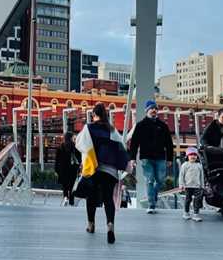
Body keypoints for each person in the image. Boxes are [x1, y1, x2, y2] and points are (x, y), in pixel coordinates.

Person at [76, 103, 129, 244]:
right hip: (110, 171)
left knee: (91, 198)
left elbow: (79, 144)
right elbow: (121, 149)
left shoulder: (88, 128)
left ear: (94, 115)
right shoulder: (112, 130)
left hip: (94, 170)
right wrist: (126, 166)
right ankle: (110, 225)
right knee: (108, 199)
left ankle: (91, 224)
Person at [128, 99, 174, 214]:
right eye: (151, 108)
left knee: (160, 180)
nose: (153, 110)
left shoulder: (163, 126)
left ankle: (153, 197)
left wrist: (169, 158)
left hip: (160, 158)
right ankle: (151, 204)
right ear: (146, 110)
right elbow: (134, 143)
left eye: (155, 108)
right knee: (149, 180)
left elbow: (169, 143)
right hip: (146, 157)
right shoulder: (140, 125)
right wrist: (132, 158)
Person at [178, 146, 204, 221]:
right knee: (188, 200)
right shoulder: (185, 165)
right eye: (191, 155)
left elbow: (201, 176)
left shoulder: (199, 165)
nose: (193, 156)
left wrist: (202, 185)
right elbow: (181, 176)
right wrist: (181, 185)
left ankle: (196, 214)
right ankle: (186, 212)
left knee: (197, 200)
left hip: (197, 186)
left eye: (195, 155)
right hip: (188, 186)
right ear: (187, 156)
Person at [54, 132, 81, 206]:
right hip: (72, 169)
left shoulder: (60, 147)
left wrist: (56, 170)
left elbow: (57, 160)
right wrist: (79, 167)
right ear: (71, 138)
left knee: (65, 185)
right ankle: (71, 200)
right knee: (72, 185)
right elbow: (79, 158)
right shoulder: (74, 147)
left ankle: (65, 197)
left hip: (62, 169)